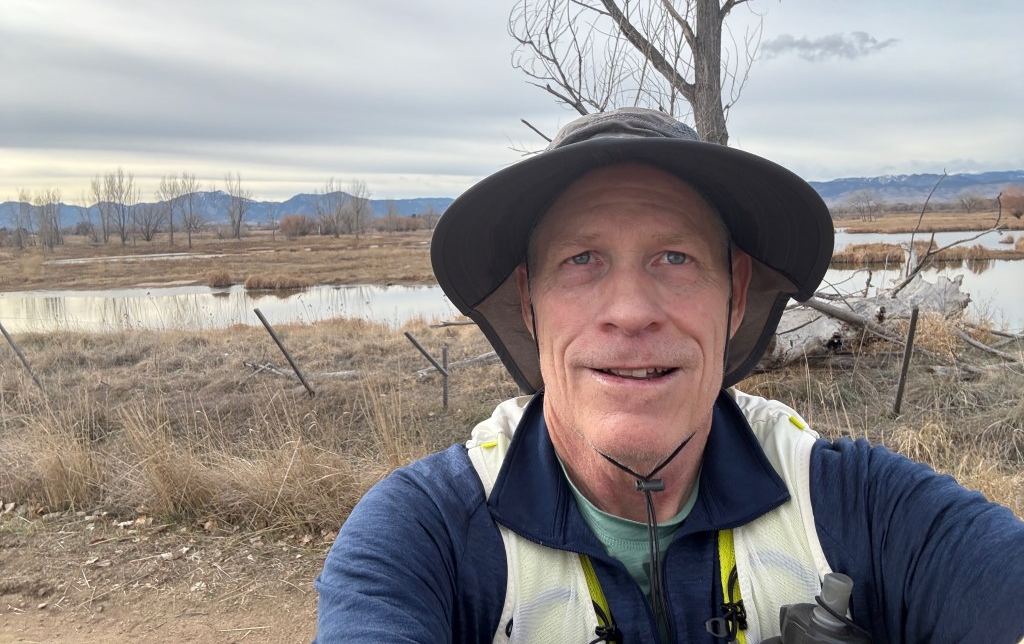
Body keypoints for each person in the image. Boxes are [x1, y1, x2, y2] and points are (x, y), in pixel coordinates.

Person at [314, 108, 1024, 643]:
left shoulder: (855, 505)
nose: (630, 312)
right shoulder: (426, 536)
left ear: (735, 295)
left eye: (675, 258)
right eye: (582, 260)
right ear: (529, 304)